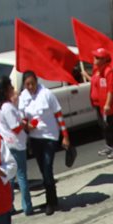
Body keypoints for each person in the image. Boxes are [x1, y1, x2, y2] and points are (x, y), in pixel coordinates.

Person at [18, 70, 71, 215]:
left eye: (32, 83)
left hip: (49, 137)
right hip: (35, 138)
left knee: (47, 167)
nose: (30, 87)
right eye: (27, 84)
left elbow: (58, 115)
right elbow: (23, 116)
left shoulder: (47, 94)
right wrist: (26, 125)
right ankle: (53, 198)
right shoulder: (23, 97)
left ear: (37, 82)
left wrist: (65, 136)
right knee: (43, 169)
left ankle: (50, 202)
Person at [0, 76, 33, 216]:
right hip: (16, 144)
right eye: (11, 88)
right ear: (5, 91)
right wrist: (24, 123)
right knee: (21, 176)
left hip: (7, 144)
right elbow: (15, 127)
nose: (13, 90)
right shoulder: (7, 107)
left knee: (10, 177)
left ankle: (9, 206)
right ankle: (27, 206)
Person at [89, 48, 113, 159]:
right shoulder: (98, 70)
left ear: (104, 60)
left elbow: (110, 89)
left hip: (107, 106)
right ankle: (109, 146)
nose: (94, 59)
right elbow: (96, 82)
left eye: (97, 57)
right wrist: (86, 75)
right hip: (99, 104)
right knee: (103, 126)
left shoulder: (109, 72)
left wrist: (107, 104)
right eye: (95, 57)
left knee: (109, 127)